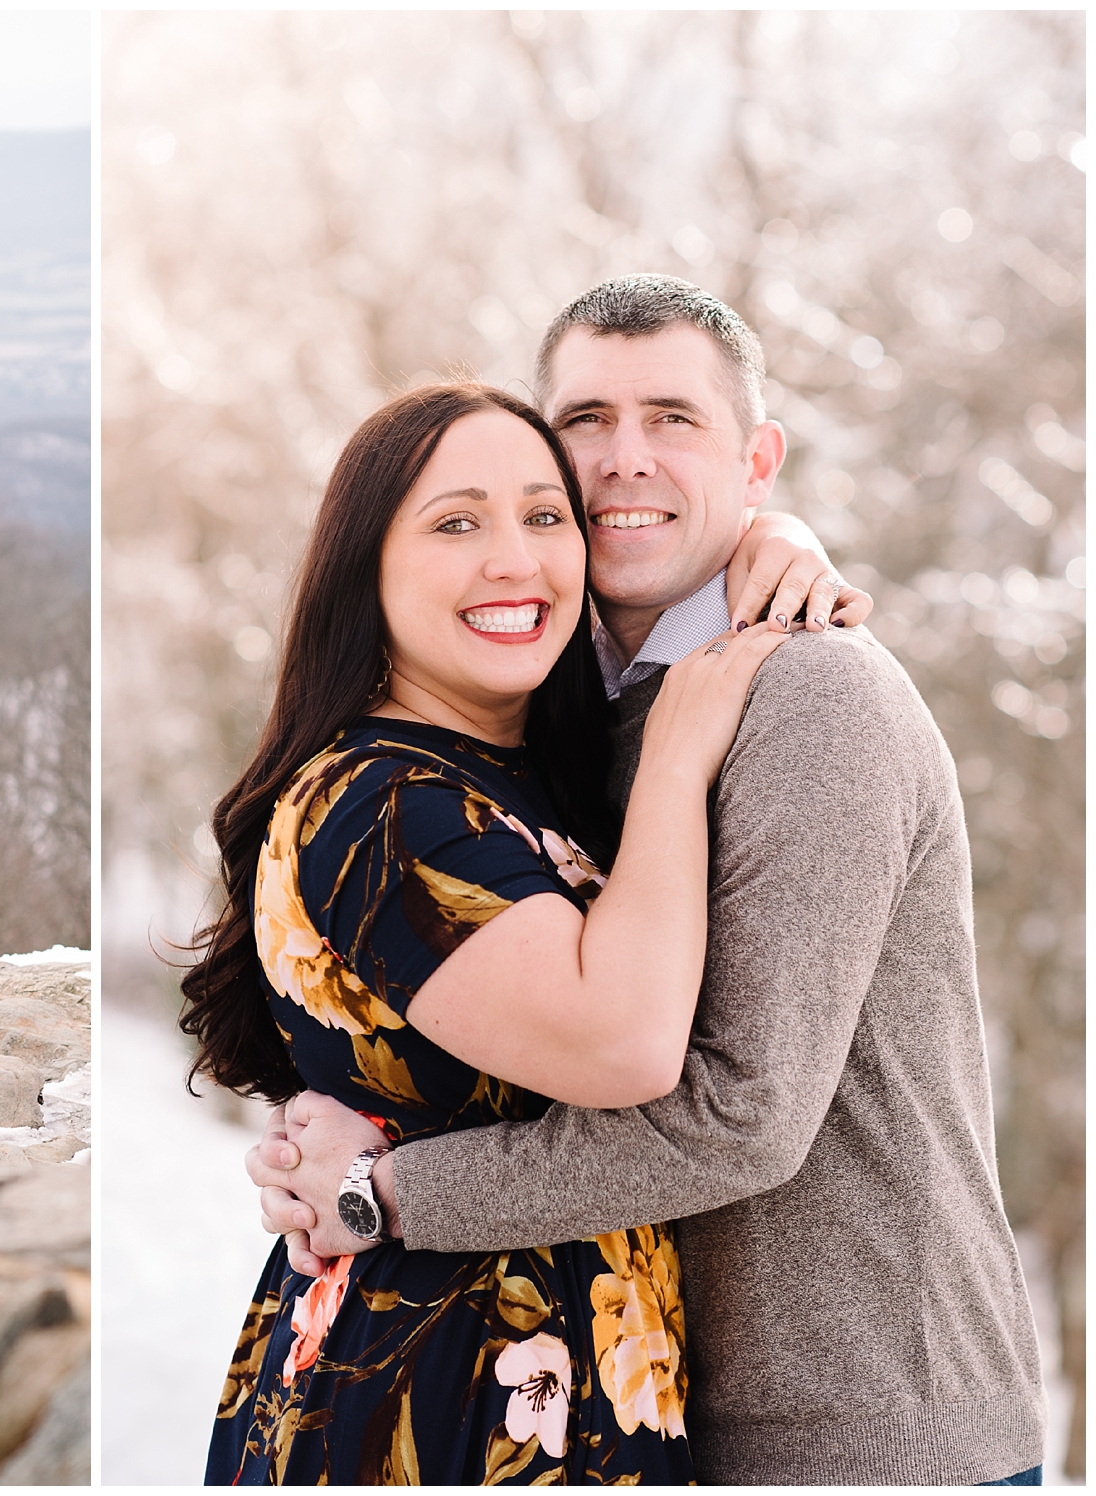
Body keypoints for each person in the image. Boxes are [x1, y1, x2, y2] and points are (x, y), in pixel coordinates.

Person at [243, 277, 1047, 1485]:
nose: (623, 461)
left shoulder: (809, 698)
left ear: (756, 459)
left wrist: (390, 1186)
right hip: (652, 1409)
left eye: (673, 419)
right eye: (585, 422)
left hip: (862, 1425)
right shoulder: (565, 722)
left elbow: (740, 1111)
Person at [187, 374, 798, 1483]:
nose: (514, 559)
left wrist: (775, 536)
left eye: (542, 515)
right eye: (456, 522)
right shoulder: (377, 802)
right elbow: (621, 1043)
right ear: (362, 569)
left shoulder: (514, 778)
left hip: (566, 1385)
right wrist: (675, 756)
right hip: (441, 1404)